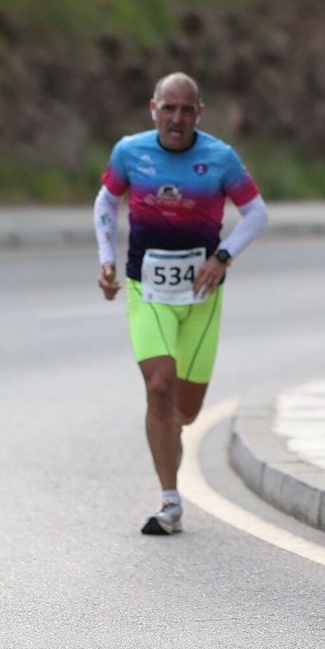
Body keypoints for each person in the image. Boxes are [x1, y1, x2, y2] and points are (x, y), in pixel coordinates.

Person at [94, 72, 269, 535]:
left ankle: (172, 437)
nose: (176, 118)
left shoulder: (219, 158)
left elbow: (257, 213)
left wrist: (223, 257)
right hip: (145, 289)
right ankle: (170, 501)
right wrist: (107, 260)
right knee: (158, 387)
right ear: (153, 108)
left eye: (186, 109)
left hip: (200, 296)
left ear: (199, 113)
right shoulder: (130, 152)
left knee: (185, 411)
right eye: (168, 108)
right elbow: (105, 204)